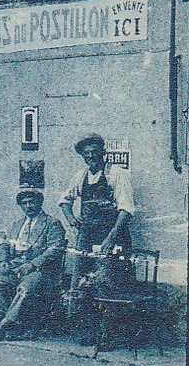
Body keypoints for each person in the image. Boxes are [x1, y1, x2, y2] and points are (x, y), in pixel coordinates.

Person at [57, 133, 137, 344]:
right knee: (83, 282)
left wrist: (111, 238)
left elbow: (126, 210)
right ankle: (89, 331)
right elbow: (64, 201)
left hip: (112, 238)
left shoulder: (116, 174)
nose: (91, 156)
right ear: (83, 156)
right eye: (87, 153)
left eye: (94, 152)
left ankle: (109, 334)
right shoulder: (81, 176)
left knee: (108, 283)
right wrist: (73, 221)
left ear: (103, 152)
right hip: (87, 238)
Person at [0, 187, 66, 341]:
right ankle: (10, 324)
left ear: (39, 203)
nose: (28, 206)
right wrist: (2, 262)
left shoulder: (52, 223)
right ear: (20, 206)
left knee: (26, 289)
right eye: (24, 203)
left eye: (31, 202)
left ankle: (7, 322)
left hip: (40, 271)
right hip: (15, 268)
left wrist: (33, 265)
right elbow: (5, 245)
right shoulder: (17, 224)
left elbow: (55, 249)